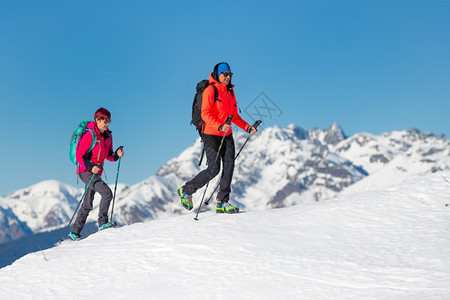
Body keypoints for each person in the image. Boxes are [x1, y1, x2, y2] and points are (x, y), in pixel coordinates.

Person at [178, 62, 257, 214]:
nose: (228, 77)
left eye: (230, 74)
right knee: (214, 169)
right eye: (225, 74)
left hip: (227, 135)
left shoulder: (230, 92)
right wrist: (219, 126)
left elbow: (234, 116)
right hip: (211, 134)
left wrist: (247, 127)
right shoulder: (210, 90)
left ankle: (223, 202)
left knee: (229, 166)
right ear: (217, 75)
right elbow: (205, 114)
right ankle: (186, 190)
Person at [69, 107, 124, 240]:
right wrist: (90, 166)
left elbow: (108, 156)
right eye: (104, 121)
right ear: (97, 120)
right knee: (107, 193)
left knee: (87, 204)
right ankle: (103, 223)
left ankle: (74, 233)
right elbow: (79, 156)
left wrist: (116, 154)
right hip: (85, 171)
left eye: (108, 121)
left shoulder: (108, 136)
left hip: (95, 172)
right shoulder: (90, 135)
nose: (107, 124)